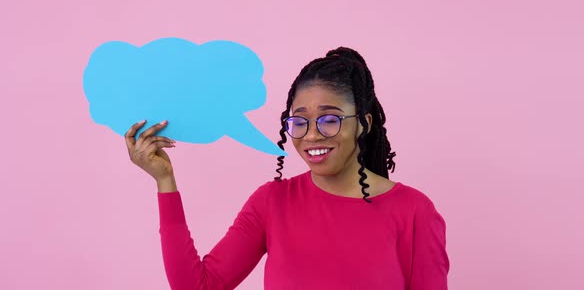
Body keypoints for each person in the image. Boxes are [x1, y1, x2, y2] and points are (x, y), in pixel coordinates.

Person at [125, 47, 450, 289]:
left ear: (363, 124)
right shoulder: (272, 202)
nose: (311, 135)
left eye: (329, 119)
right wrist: (164, 180)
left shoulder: (413, 212)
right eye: (299, 121)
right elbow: (198, 286)